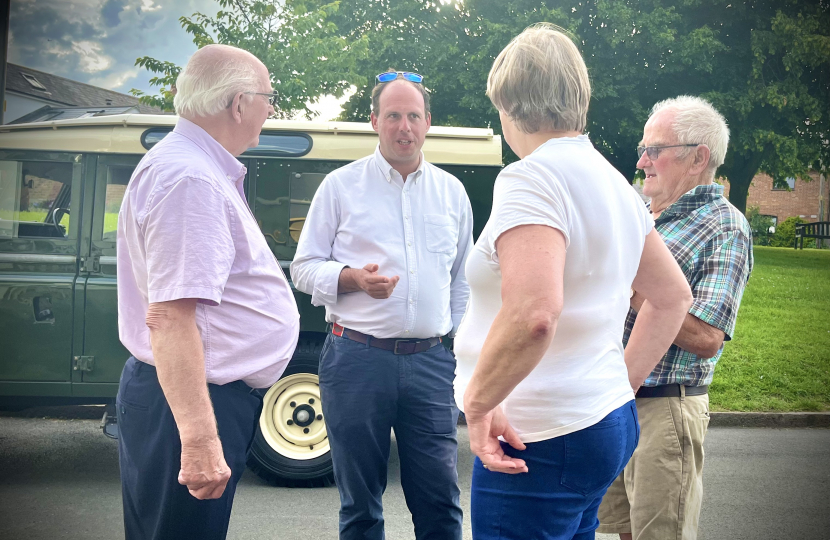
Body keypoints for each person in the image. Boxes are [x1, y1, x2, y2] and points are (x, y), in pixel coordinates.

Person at [453, 23, 695, 540]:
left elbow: (534, 315)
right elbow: (672, 296)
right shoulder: (616, 184)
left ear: (510, 104)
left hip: (536, 434)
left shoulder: (530, 178)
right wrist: (620, 383)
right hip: (601, 420)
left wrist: (477, 403)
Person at [116, 44, 300, 540]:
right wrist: (198, 441)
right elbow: (170, 317)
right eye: (268, 98)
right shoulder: (190, 179)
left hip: (183, 394)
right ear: (238, 103)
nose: (270, 111)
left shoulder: (187, 167)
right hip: (194, 400)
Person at [290, 70, 471, 540]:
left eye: (413, 116)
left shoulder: (452, 192)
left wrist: (455, 349)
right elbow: (303, 267)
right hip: (356, 360)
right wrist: (350, 280)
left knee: (440, 504)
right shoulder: (339, 186)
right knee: (360, 505)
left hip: (431, 364)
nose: (404, 127)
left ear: (428, 122)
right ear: (374, 121)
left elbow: (462, 281)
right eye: (393, 116)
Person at [597, 96, 754, 540]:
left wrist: (634, 289)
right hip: (613, 402)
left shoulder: (725, 225)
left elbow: (707, 337)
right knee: (618, 530)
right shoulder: (642, 216)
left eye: (655, 149)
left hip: (665, 407)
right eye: (643, 148)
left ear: (697, 158)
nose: (642, 160)